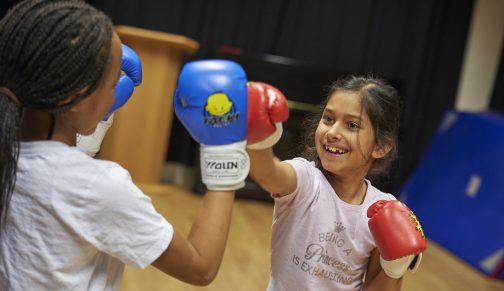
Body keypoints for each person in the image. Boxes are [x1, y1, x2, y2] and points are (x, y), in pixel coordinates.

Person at [0, 1, 248, 290]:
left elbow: (54, 180)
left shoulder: (11, 155)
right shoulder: (98, 187)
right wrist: (223, 147)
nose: (116, 93)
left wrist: (89, 122)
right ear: (77, 98)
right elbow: (200, 267)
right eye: (110, 85)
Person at [246, 76, 426, 290]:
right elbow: (268, 174)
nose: (332, 133)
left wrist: (394, 269)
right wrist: (258, 134)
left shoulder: (382, 210)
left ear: (380, 147)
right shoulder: (306, 179)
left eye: (352, 125)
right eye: (328, 119)